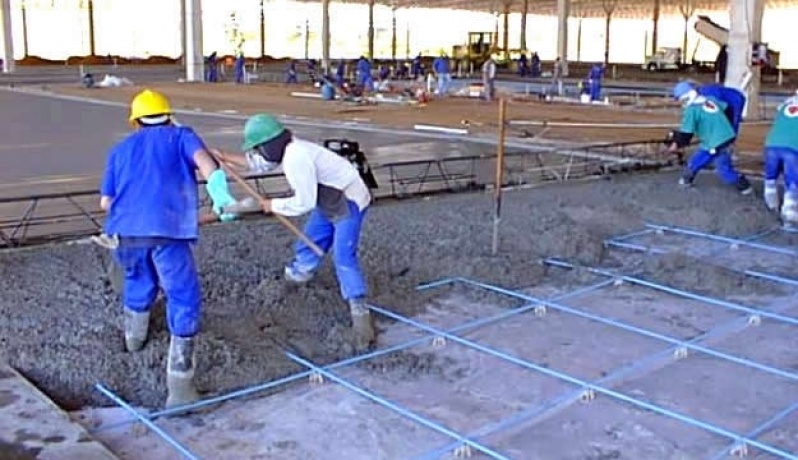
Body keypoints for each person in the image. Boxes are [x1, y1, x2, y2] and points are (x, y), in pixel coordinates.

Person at [100, 89, 239, 408]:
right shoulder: (182, 136)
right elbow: (206, 164)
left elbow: (106, 202)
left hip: (125, 235)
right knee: (182, 296)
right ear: (168, 115)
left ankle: (134, 340)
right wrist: (220, 194)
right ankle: (180, 387)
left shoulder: (119, 150)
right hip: (168, 235)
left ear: (135, 122)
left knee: (139, 282)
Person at [214, 114, 376, 350]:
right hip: (328, 200)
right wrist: (224, 156)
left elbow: (304, 202)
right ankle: (299, 276)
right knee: (309, 242)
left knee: (344, 257)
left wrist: (273, 205)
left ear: (269, 144)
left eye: (258, 147)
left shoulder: (296, 157)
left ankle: (361, 319)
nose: (257, 153)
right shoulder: (286, 149)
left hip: (348, 201)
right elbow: (261, 164)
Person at [666, 81, 752, 194]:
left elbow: (686, 134)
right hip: (726, 137)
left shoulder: (691, 111)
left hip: (713, 142)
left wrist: (676, 144)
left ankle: (686, 180)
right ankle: (744, 186)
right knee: (719, 163)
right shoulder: (710, 99)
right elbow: (726, 108)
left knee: (706, 162)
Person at [762, 91, 798, 227]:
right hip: (793, 148)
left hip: (771, 144)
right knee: (793, 182)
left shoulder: (786, 104)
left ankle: (771, 208)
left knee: (770, 179)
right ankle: (789, 216)